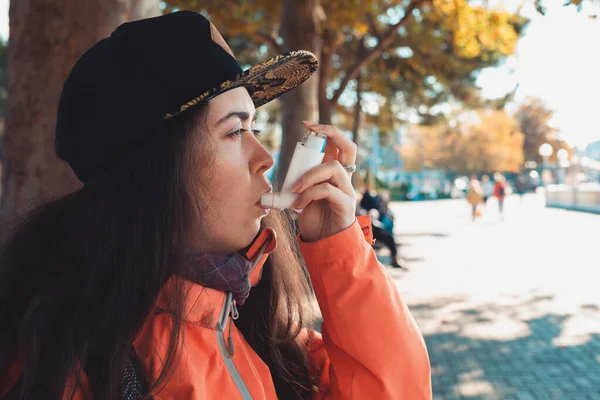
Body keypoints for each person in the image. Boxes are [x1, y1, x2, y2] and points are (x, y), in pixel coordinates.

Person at [0, 12, 431, 400]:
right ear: (153, 171)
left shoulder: (251, 327)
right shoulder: (67, 368)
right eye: (234, 132)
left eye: (255, 127)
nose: (265, 157)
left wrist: (339, 249)